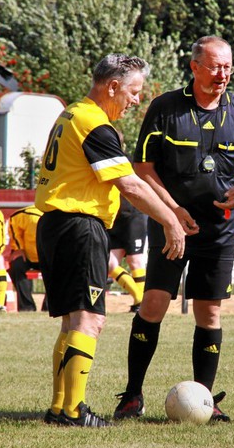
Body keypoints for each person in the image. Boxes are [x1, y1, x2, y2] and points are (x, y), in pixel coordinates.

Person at [114, 36, 234, 423]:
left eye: (228, 67)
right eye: (215, 67)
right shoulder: (166, 107)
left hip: (219, 230)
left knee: (209, 312)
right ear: (195, 67)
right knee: (154, 304)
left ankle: (205, 400)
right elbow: (143, 168)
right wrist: (172, 211)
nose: (222, 74)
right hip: (172, 226)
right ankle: (132, 395)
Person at [35, 53, 185, 428]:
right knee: (89, 319)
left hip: (55, 224)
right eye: (133, 92)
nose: (136, 100)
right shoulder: (95, 124)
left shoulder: (71, 113)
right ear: (113, 86)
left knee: (72, 321)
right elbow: (130, 184)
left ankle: (60, 408)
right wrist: (170, 219)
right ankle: (73, 411)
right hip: (79, 226)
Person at [107, 196, 148, 312]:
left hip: (134, 215)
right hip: (114, 217)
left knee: (134, 260)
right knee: (110, 264)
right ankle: (140, 298)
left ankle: (139, 302)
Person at [7, 204, 43, 312]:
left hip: (49, 256)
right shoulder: (26, 213)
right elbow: (14, 220)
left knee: (62, 268)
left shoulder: (61, 214)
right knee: (16, 267)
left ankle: (49, 307)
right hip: (26, 254)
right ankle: (26, 307)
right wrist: (18, 248)